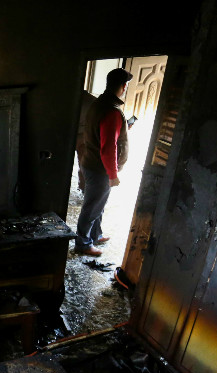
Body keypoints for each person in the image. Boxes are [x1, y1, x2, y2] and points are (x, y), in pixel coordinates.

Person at [75, 67, 134, 257]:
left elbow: (104, 136)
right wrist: (113, 175)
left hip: (90, 160)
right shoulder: (112, 111)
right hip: (99, 167)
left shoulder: (98, 103)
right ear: (123, 87)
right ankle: (83, 244)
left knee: (98, 202)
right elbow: (109, 148)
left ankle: (96, 234)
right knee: (92, 206)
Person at [75, 89, 98, 192]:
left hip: (70, 135)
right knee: (84, 166)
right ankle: (83, 189)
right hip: (85, 137)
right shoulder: (93, 101)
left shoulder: (69, 100)